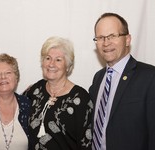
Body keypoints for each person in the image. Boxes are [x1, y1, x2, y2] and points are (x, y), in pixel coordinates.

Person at [89, 12, 155, 150]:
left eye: (112, 36)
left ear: (127, 39)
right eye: (100, 37)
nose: (106, 43)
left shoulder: (150, 77)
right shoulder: (98, 78)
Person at [23, 36, 93, 150]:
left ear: (68, 66)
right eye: (48, 58)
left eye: (58, 60)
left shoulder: (81, 99)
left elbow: (86, 143)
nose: (51, 64)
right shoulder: (35, 90)